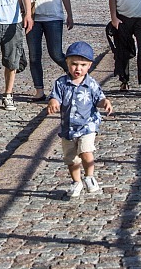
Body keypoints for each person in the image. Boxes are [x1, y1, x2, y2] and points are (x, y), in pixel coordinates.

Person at [47, 41, 113, 198]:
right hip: (68, 128)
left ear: (89, 65)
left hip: (87, 125)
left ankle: (90, 177)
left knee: (85, 151)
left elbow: (99, 98)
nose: (78, 68)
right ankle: (76, 182)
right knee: (71, 159)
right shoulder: (61, 83)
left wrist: (105, 103)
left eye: (83, 65)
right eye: (74, 64)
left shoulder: (91, 84)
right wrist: (53, 102)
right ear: (67, 63)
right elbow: (55, 96)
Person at [26, 0, 75, 101]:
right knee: (34, 55)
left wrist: (69, 14)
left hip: (53, 17)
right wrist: (23, 13)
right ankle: (39, 91)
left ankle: (74, 75)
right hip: (33, 18)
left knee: (55, 53)